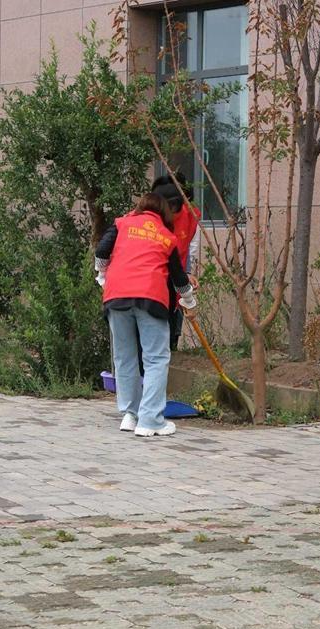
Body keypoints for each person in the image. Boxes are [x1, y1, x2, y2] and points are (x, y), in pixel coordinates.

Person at [95, 193, 197, 437]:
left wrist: (102, 275)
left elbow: (101, 251)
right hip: (150, 298)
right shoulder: (166, 236)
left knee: (124, 358)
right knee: (156, 359)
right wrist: (189, 301)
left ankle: (130, 415)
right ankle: (150, 420)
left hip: (116, 296)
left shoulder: (122, 224)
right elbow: (179, 278)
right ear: (164, 213)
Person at [151, 172, 201, 350]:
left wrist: (187, 273)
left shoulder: (190, 216)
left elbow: (188, 248)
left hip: (176, 273)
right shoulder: (153, 217)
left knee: (173, 313)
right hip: (155, 276)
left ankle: (171, 343)